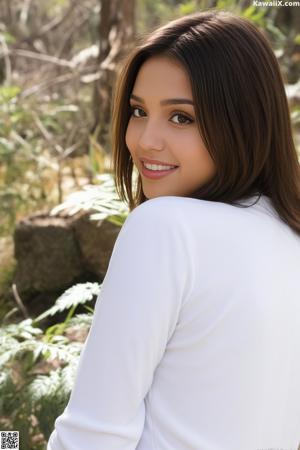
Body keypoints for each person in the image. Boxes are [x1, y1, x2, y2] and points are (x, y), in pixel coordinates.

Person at [47, 9, 300, 450]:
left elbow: (89, 438)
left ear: (244, 122)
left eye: (182, 118)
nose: (144, 140)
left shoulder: (165, 228)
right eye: (138, 111)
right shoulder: (288, 234)